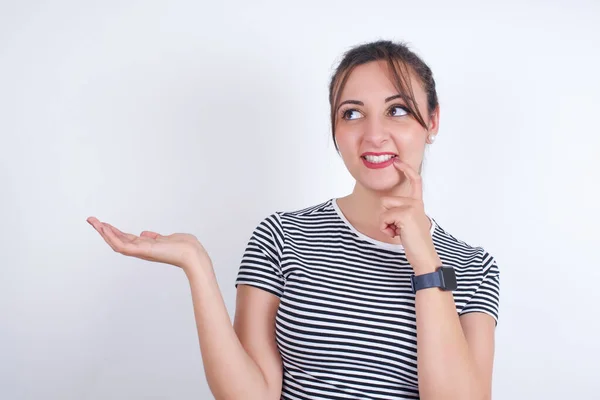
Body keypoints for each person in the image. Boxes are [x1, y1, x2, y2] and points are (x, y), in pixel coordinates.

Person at [87, 40, 500, 400]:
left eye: (397, 110)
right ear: (335, 129)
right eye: (352, 114)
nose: (374, 135)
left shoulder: (474, 267)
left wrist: (425, 263)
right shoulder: (282, 237)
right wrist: (197, 264)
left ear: (432, 121)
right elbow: (251, 395)